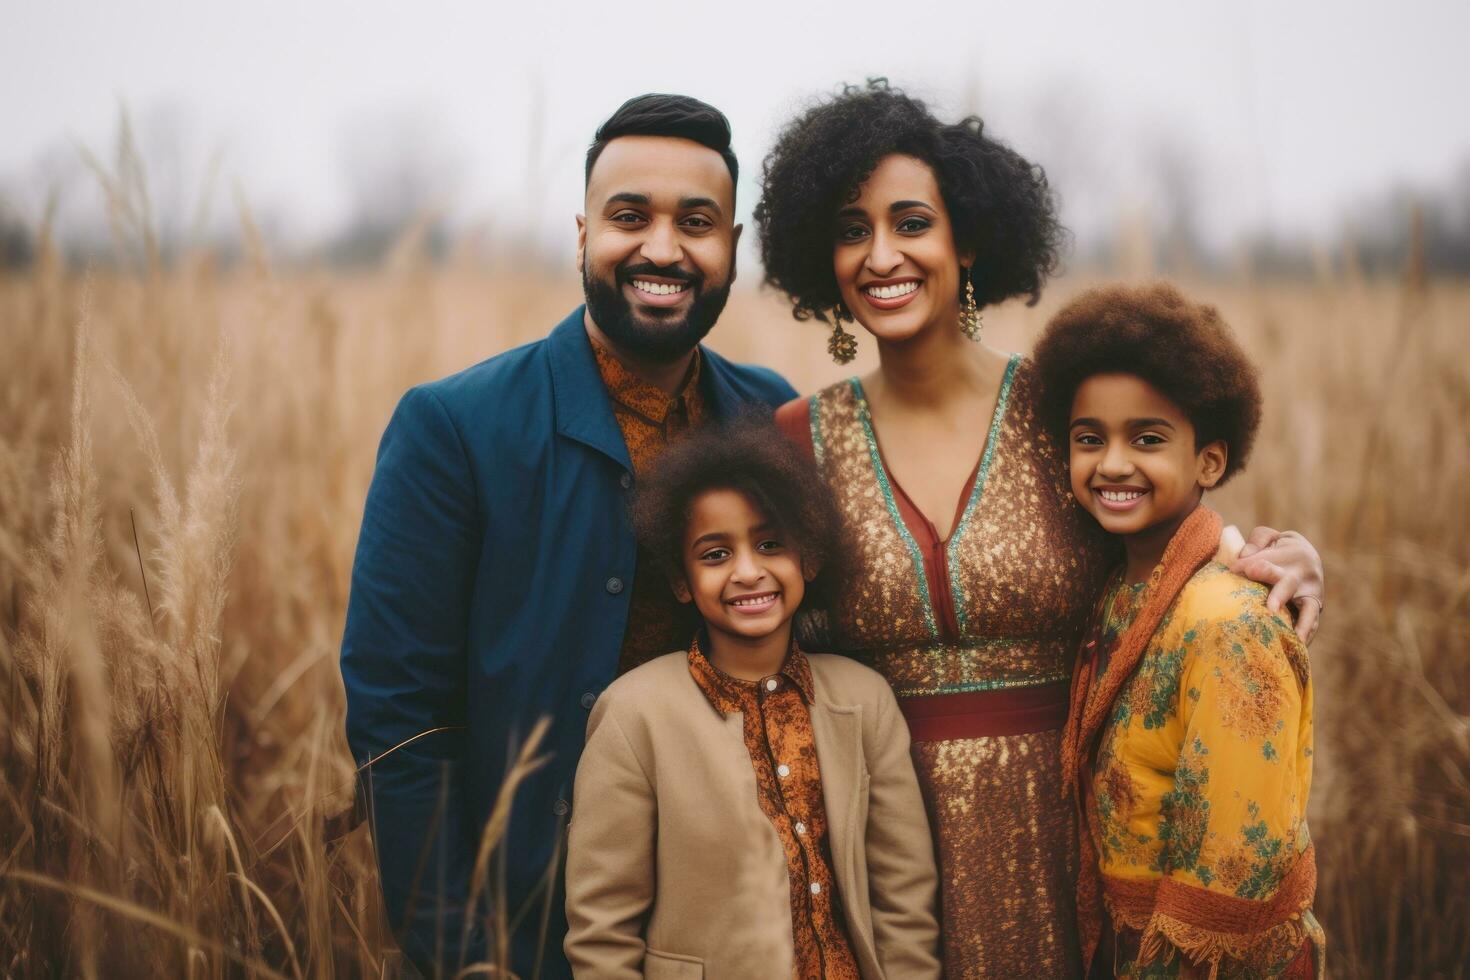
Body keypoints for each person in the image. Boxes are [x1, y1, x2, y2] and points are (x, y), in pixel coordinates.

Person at [757, 80, 1326, 978]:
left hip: (1077, 844)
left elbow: (1165, 541)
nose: (881, 255)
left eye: (912, 222)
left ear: (969, 238)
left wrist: (1282, 553)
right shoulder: (794, 442)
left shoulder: (1062, 413)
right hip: (883, 860)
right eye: (850, 229)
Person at [340, 94, 795, 978]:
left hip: (734, 924)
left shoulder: (767, 415)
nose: (662, 248)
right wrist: (459, 955)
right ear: (583, 235)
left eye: (696, 223)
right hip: (530, 930)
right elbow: (399, 718)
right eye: (631, 217)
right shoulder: (454, 428)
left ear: (733, 248)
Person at [563, 421, 941, 979]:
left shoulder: (866, 700)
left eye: (770, 544)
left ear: (807, 558)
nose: (747, 571)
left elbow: (905, 898)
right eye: (715, 554)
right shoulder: (634, 715)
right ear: (682, 581)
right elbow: (602, 930)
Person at [1036, 283, 1324, 977]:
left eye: (1148, 438)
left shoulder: (1231, 625)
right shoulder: (1116, 588)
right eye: (1088, 439)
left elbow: (1233, 863)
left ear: (1210, 462)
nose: (1111, 463)